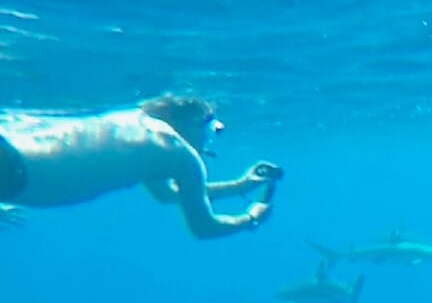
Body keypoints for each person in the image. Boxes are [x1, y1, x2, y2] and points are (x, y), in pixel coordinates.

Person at [0, 94, 282, 239]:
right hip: (16, 175)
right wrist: (251, 218)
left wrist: (241, 186)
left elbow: (168, 195)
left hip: (13, 169)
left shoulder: (137, 126)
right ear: (195, 121)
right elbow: (203, 229)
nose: (209, 143)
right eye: (211, 130)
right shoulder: (179, 154)